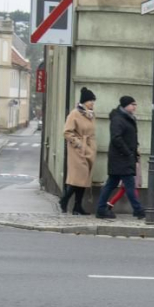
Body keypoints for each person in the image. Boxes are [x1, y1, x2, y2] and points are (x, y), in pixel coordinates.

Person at [95, 96, 145, 219]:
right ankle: (138, 210)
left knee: (111, 184)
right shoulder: (118, 119)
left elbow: (130, 137)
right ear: (125, 105)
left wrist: (135, 150)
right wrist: (128, 152)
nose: (135, 107)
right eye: (132, 104)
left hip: (123, 158)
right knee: (129, 185)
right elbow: (116, 138)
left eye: (135, 104)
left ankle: (101, 209)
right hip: (121, 158)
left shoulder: (127, 118)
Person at [59, 87, 97, 215]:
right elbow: (67, 132)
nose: (92, 103)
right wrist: (79, 144)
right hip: (77, 151)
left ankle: (77, 207)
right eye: (90, 100)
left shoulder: (90, 115)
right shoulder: (75, 114)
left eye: (93, 101)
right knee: (78, 179)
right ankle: (64, 200)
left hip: (88, 149)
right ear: (84, 101)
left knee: (83, 179)